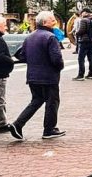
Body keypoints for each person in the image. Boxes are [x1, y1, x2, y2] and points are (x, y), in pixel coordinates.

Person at [8, 11, 66, 140]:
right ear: (45, 22)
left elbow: (21, 55)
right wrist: (59, 67)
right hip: (48, 76)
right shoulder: (50, 37)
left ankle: (18, 124)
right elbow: (56, 59)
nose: (54, 22)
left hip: (33, 75)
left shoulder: (30, 37)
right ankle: (49, 129)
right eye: (52, 20)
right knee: (52, 102)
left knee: (37, 100)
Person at [73, 9, 92, 81]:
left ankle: (81, 75)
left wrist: (76, 33)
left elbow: (81, 30)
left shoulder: (83, 20)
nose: (81, 14)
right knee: (90, 57)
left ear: (85, 13)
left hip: (84, 40)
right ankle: (91, 73)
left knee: (81, 58)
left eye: (82, 13)